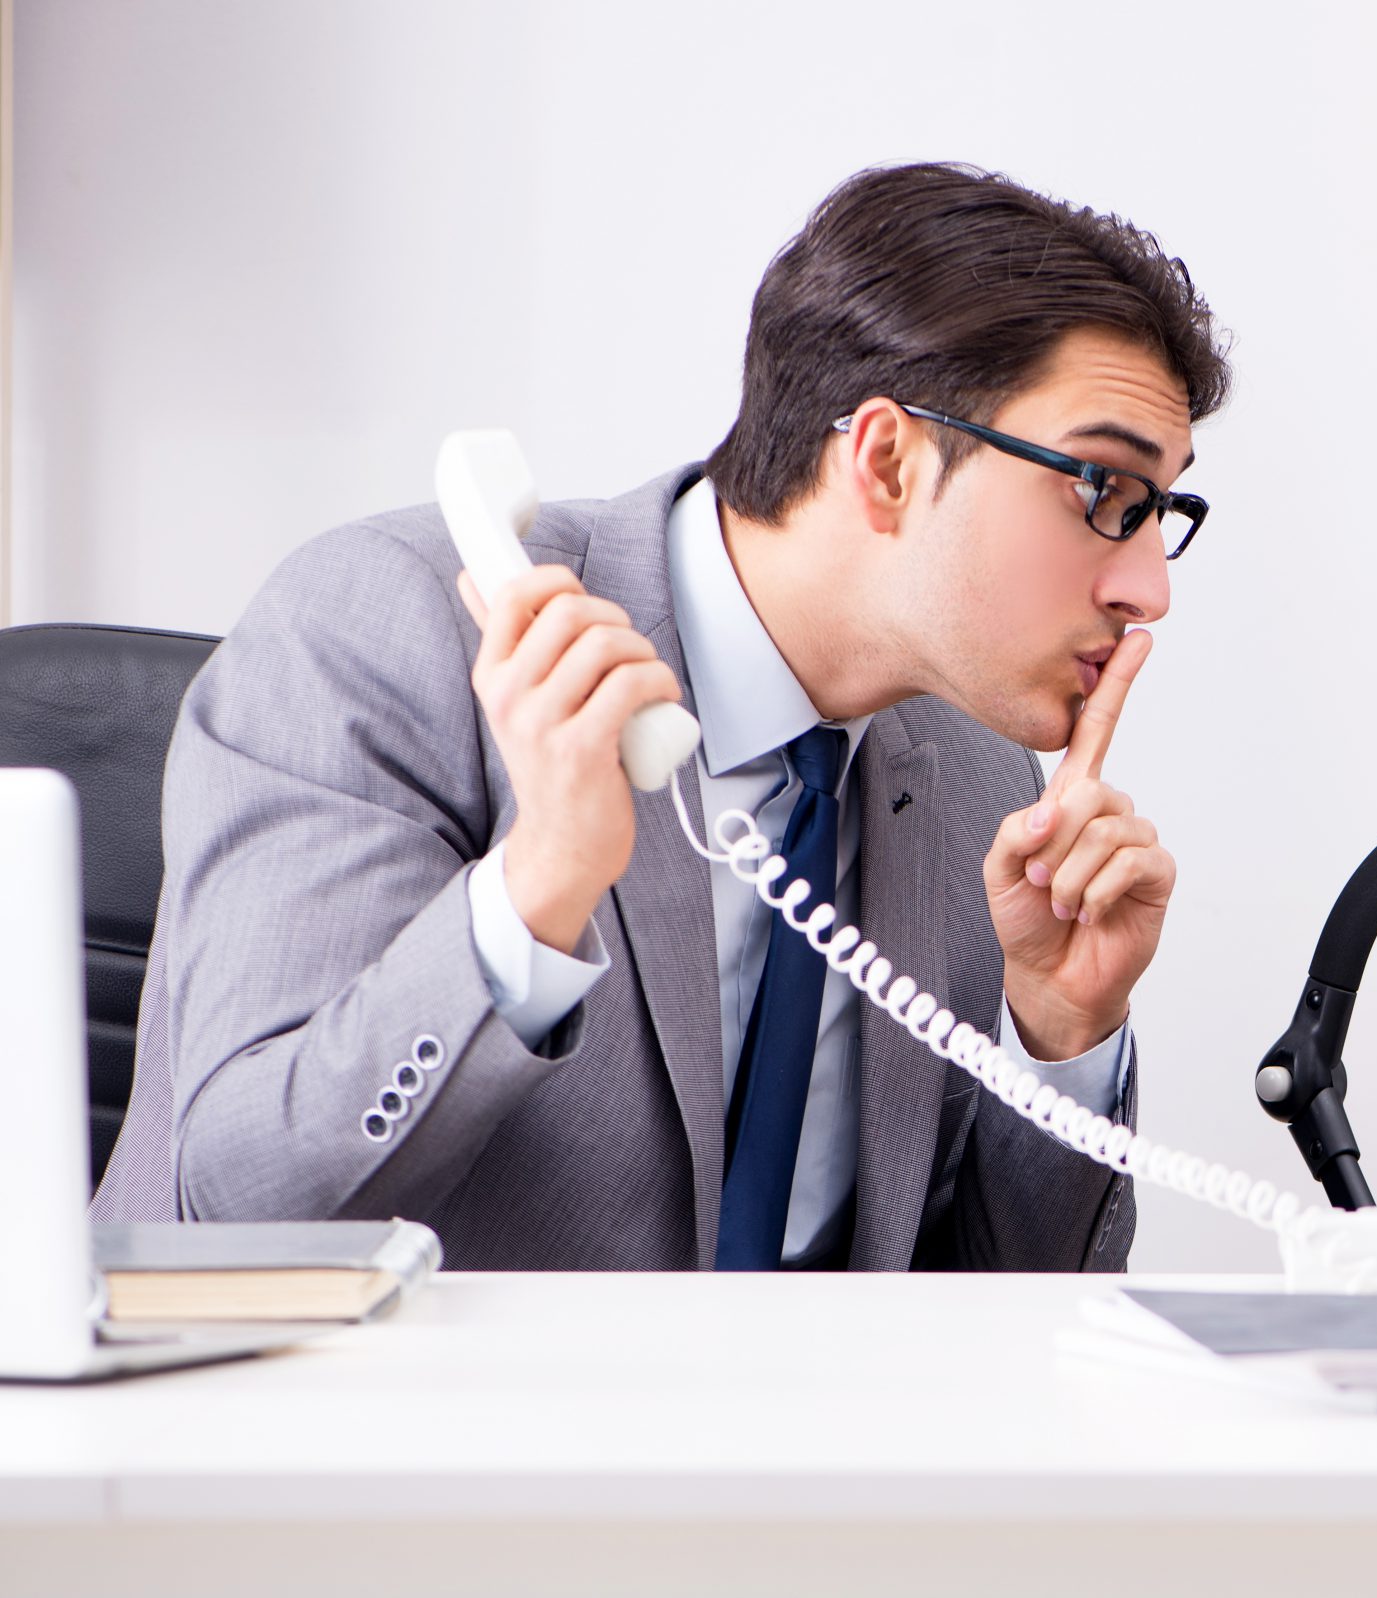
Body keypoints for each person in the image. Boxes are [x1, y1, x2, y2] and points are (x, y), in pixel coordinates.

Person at [92, 162, 1230, 1272]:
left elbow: (1000, 1328)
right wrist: (535, 890)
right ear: (885, 459)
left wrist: (1063, 1037)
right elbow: (234, 1206)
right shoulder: (381, 626)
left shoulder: (979, 778)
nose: (1150, 590)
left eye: (1159, 514)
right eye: (1103, 493)